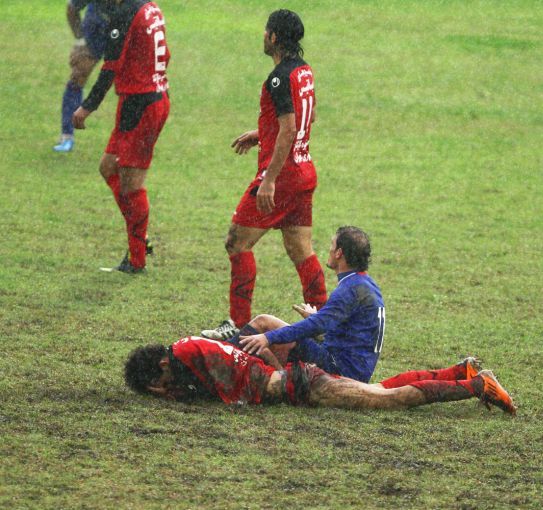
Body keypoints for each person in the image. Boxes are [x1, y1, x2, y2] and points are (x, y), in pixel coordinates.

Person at [201, 9, 326, 341]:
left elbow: (289, 128)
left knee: (237, 243)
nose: (263, 36)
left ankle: (238, 325)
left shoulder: (278, 78)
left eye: (265, 31)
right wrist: (263, 133)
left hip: (281, 178)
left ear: (273, 37)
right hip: (303, 171)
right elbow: (306, 118)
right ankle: (323, 323)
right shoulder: (303, 71)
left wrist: (269, 179)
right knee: (301, 249)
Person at [124, 337, 516, 414]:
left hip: (303, 385)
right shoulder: (189, 349)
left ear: (162, 367)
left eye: (157, 385)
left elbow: (196, 390)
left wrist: (168, 391)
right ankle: (458, 371)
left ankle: (477, 385)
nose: (163, 391)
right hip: (299, 380)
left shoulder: (183, 355)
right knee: (377, 388)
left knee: (387, 400)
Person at [72, 0, 171, 274]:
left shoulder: (125, 14)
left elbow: (109, 68)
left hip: (142, 104)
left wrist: (87, 107)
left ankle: (137, 258)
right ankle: (139, 234)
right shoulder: (150, 6)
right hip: (143, 98)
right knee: (108, 168)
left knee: (131, 185)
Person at [217, 226, 383, 383]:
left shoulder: (349, 289)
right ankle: (271, 377)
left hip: (340, 369)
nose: (330, 250)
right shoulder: (366, 284)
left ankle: (216, 356)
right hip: (354, 368)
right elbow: (349, 331)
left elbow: (314, 326)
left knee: (264, 323)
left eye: (332, 245)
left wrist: (268, 337)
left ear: (339, 253)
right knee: (279, 340)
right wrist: (317, 317)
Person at [54, 1, 111, 153]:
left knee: (131, 85)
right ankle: (67, 136)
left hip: (124, 34)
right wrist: (80, 39)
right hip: (95, 34)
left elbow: (145, 10)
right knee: (77, 78)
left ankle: (133, 139)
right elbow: (71, 8)